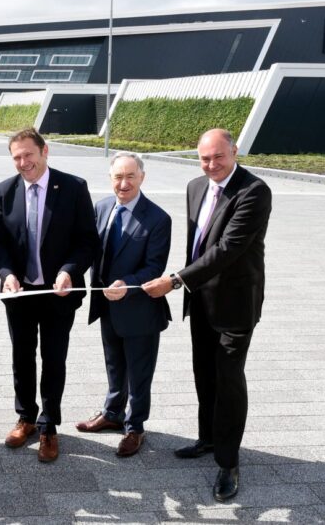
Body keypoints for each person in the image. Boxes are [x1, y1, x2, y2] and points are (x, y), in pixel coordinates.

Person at [143, 128, 272, 502]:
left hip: (235, 303)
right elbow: (196, 244)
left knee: (229, 377)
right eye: (204, 158)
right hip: (200, 299)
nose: (211, 165)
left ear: (234, 152)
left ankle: (228, 462)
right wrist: (186, 283)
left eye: (218, 157)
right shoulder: (195, 186)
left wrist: (175, 280)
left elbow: (228, 248)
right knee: (205, 372)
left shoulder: (254, 191)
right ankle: (208, 438)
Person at [0, 127, 99, 463]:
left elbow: (87, 241)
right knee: (21, 357)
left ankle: (49, 425)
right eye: (17, 157)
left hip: (58, 293)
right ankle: (25, 418)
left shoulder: (73, 187)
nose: (24, 162)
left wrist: (69, 269)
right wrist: (7, 275)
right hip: (20, 294)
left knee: (53, 358)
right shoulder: (4, 191)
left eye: (28, 155)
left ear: (44, 151)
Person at [76, 153, 171, 457]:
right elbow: (90, 249)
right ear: (110, 178)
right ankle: (112, 413)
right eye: (118, 176)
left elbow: (154, 268)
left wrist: (125, 285)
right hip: (107, 307)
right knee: (114, 365)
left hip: (139, 309)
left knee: (139, 372)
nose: (124, 183)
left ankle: (135, 427)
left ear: (142, 177)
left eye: (130, 176)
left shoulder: (158, 219)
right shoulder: (102, 207)